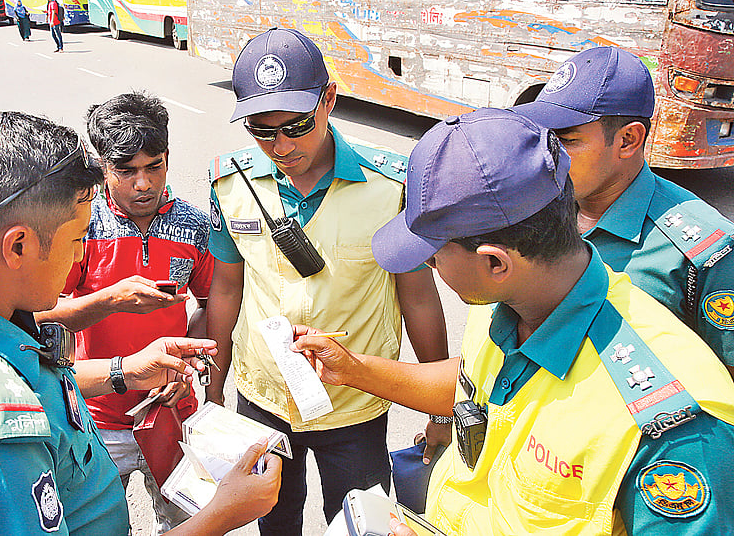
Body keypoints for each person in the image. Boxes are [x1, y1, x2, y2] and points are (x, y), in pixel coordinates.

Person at [294, 108, 734, 534]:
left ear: (496, 262)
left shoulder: (675, 428)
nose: (429, 267)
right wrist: (353, 370)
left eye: (433, 255)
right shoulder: (502, 300)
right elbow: (477, 386)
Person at [0, 111, 281, 536]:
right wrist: (222, 515)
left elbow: (36, 377)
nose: (77, 259)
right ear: (18, 245)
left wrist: (124, 371)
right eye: (75, 241)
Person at [206, 27, 449, 535]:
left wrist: (440, 410)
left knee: (361, 525)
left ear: (330, 99)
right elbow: (227, 290)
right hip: (264, 399)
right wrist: (215, 385)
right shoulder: (230, 186)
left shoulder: (389, 188)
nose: (280, 145)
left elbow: (419, 298)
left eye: (296, 126)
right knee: (273, 520)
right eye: (261, 129)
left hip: (354, 403)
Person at [34, 92, 213, 533]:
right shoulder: (81, 226)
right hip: (95, 420)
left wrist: (188, 365)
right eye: (126, 171)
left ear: (168, 157)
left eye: (154, 166)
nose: (143, 184)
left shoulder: (194, 225)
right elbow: (39, 313)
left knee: (184, 521)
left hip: (173, 412)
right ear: (101, 168)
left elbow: (211, 303)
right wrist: (109, 300)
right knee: (97, 525)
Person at [512, 46, 734, 380]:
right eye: (545, 138)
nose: (547, 156)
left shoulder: (705, 252)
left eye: (567, 141)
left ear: (628, 140)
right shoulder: (537, 209)